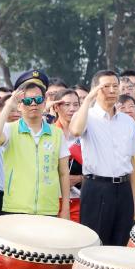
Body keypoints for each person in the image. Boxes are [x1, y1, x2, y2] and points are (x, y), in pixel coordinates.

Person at [70, 70, 135, 246]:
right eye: (106, 86)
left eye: (115, 86)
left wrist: (133, 198)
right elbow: (76, 131)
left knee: (120, 243)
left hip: (123, 189)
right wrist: (87, 100)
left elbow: (131, 162)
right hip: (97, 188)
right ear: (96, 90)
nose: (112, 90)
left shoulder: (127, 122)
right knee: (95, 244)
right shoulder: (88, 117)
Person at [0, 70, 70, 218]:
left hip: (48, 208)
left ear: (44, 103)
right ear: (19, 105)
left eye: (38, 100)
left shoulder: (56, 133)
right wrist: (8, 106)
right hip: (16, 207)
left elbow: (64, 173)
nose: (33, 104)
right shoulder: (10, 129)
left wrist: (65, 208)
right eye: (27, 101)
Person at [50, 88, 82, 221]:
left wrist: (80, 178)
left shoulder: (85, 132)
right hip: (53, 198)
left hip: (81, 199)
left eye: (76, 104)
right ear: (56, 107)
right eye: (67, 104)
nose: (72, 109)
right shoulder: (49, 132)